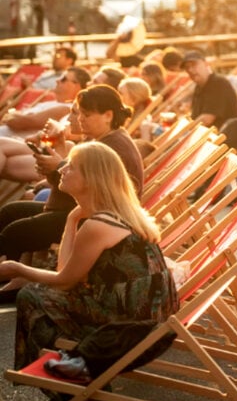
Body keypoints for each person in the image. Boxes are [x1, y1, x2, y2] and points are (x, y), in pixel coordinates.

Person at [0, 142, 178, 401]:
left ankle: (69, 390)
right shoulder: (115, 215)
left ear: (91, 179)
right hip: (151, 325)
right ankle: (77, 383)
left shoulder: (99, 226)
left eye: (72, 166)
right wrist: (72, 219)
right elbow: (65, 272)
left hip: (126, 333)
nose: (64, 169)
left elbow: (63, 281)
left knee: (32, 297)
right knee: (39, 293)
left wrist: (17, 268)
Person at [0, 85, 144, 286]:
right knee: (10, 211)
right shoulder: (100, 139)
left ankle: (12, 279)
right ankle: (13, 278)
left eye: (86, 114)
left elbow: (94, 190)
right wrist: (54, 168)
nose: (79, 119)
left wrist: (58, 165)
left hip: (100, 219)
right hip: (80, 209)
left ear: (108, 115)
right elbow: (66, 190)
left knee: (17, 232)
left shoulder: (112, 147)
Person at [183, 50, 237, 129]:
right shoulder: (199, 87)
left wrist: (185, 131)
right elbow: (195, 117)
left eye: (194, 65)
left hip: (227, 137)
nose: (190, 70)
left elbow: (207, 119)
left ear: (206, 64)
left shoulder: (218, 83)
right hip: (212, 137)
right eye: (187, 67)